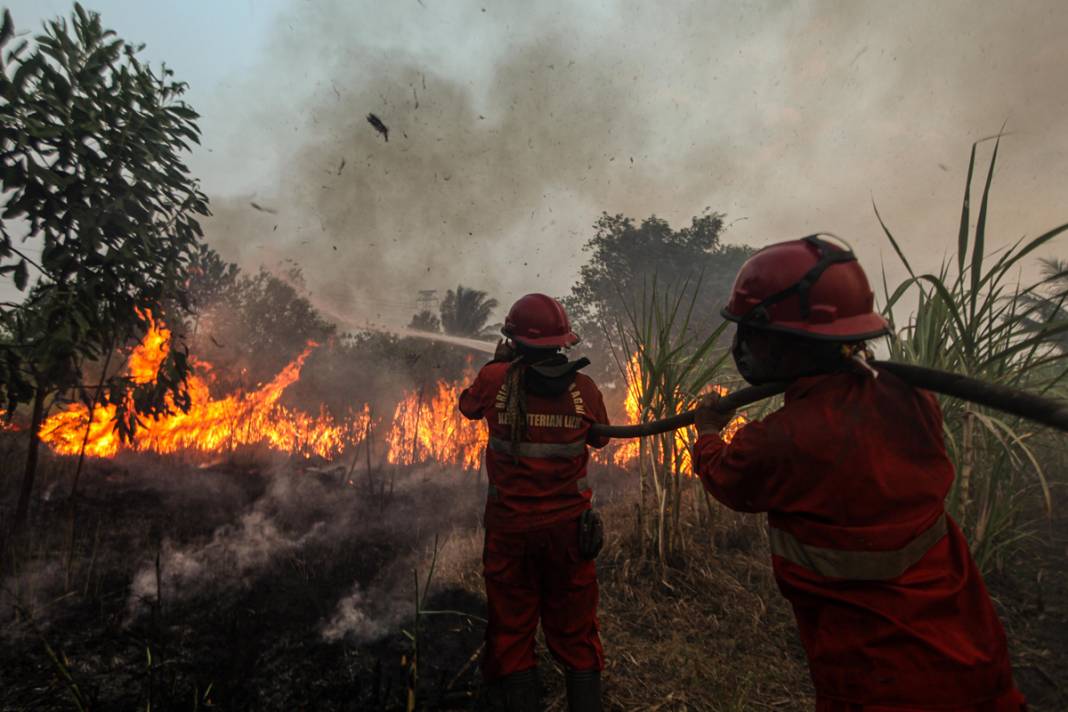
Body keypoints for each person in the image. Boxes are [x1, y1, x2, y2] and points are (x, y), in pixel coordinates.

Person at [693, 236, 1026, 711]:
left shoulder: (779, 440)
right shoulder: (912, 396)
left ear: (790, 339)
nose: (743, 347)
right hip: (974, 661)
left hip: (876, 682)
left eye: (752, 332)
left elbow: (728, 476)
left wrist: (706, 432)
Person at [458, 293, 610, 712]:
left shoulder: (495, 380)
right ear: (563, 343)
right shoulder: (584, 389)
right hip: (569, 535)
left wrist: (497, 363)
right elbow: (601, 437)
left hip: (510, 534)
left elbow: (468, 406)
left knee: (512, 633)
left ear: (513, 338)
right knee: (578, 636)